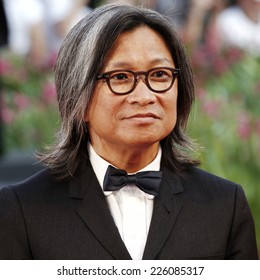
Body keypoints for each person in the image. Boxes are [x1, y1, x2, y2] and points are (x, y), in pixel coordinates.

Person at [0, 3, 258, 260]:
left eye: (159, 74)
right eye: (121, 77)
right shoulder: (22, 210)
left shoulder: (225, 205)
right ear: (77, 96)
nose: (145, 96)